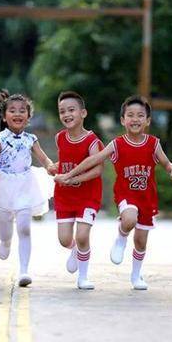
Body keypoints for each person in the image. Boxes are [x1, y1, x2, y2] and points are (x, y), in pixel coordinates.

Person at [56, 95, 172, 290]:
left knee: (140, 241)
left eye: (140, 115)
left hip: (147, 198)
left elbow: (166, 163)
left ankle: (136, 276)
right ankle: (121, 236)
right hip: (126, 195)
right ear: (123, 120)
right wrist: (69, 175)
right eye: (130, 115)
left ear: (147, 121)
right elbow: (94, 160)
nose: (135, 119)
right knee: (129, 219)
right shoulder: (117, 144)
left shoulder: (154, 143)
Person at [0, 89, 55, 287]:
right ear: (4, 116)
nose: (18, 114)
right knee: (6, 225)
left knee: (25, 227)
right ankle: (5, 241)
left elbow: (43, 158)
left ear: (28, 116)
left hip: (26, 185)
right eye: (13, 111)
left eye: (22, 111)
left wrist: (52, 167)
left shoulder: (31, 139)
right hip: (2, 186)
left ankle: (24, 270)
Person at [53, 91, 103, 290]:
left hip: (88, 196)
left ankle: (83, 276)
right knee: (64, 240)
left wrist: (72, 178)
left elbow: (97, 169)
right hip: (64, 196)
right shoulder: (59, 138)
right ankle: (74, 250)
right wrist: (56, 168)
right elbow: (66, 162)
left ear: (83, 113)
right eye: (62, 111)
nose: (66, 114)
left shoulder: (92, 141)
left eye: (71, 110)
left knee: (82, 236)